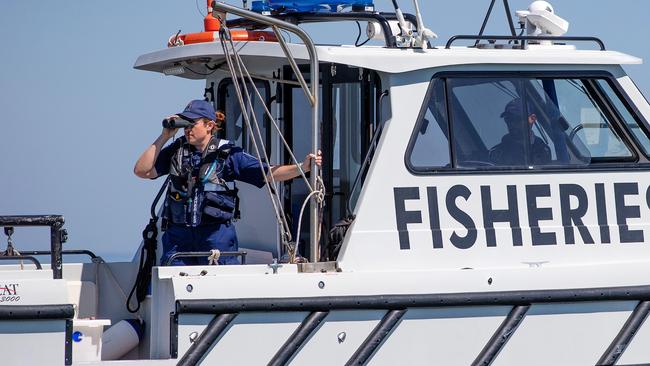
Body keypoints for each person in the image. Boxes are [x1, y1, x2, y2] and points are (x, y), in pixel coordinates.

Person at [134, 99, 321, 266]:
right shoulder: (177, 150)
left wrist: (302, 168)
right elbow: (142, 171)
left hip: (215, 237)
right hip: (178, 237)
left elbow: (268, 173)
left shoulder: (228, 154)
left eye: (192, 123)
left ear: (209, 125)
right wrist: (165, 136)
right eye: (185, 124)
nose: (187, 129)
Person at [489, 98, 551, 166]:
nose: (512, 124)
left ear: (532, 119)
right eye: (508, 119)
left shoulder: (544, 150)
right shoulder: (497, 153)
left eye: (517, 118)